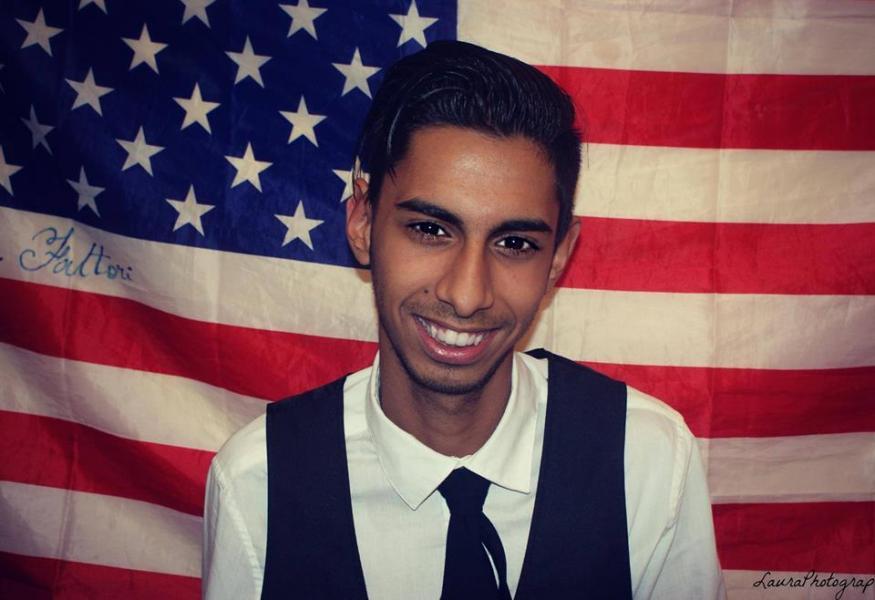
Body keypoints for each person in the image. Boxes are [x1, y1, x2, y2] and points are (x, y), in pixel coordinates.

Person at [202, 40, 725, 599]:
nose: (468, 294)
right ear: (362, 224)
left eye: (515, 242)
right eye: (430, 229)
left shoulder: (646, 460)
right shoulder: (257, 482)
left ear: (559, 258)